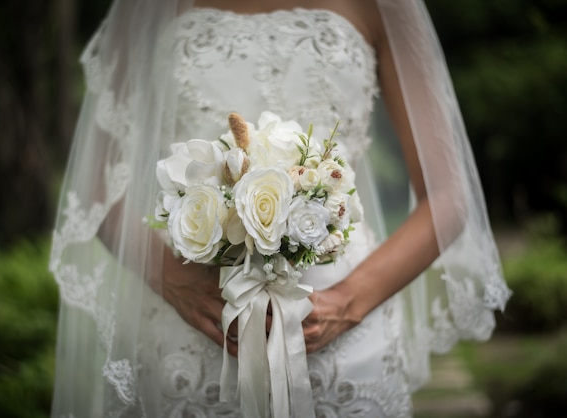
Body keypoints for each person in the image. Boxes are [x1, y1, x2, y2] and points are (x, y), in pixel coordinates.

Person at [49, 0, 511, 417]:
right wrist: (174, 281)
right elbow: (95, 191)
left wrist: (346, 304)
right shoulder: (145, 8)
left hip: (343, 328)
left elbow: (447, 195)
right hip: (190, 329)